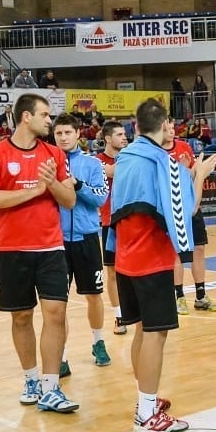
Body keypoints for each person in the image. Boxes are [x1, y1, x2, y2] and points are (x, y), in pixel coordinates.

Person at [107, 99, 216, 432]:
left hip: (125, 255)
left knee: (142, 329)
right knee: (156, 333)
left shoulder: (124, 158)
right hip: (151, 258)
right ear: (166, 125)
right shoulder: (165, 164)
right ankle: (145, 414)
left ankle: (147, 401)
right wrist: (198, 175)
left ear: (136, 128)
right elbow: (189, 210)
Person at [0, 93, 79, 412]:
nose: (50, 121)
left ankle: (51, 388)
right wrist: (34, 190)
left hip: (51, 247)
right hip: (12, 249)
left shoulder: (54, 154)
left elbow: (69, 201)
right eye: (45, 115)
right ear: (26, 117)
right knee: (21, 317)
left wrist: (51, 185)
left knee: (56, 314)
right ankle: (31, 379)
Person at [52, 114, 111, 375]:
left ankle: (98, 341)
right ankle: (61, 355)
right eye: (59, 133)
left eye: (67, 132)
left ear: (78, 134)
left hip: (87, 238)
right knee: (57, 302)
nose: (63, 137)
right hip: (56, 242)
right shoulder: (47, 163)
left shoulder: (92, 164)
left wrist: (78, 185)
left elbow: (100, 198)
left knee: (93, 295)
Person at [162, 118, 216, 314]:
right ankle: (178, 297)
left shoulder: (184, 146)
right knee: (176, 253)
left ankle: (201, 295)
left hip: (192, 203)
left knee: (199, 249)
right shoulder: (157, 152)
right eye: (167, 129)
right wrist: (182, 171)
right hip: (172, 208)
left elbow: (194, 174)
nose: (171, 132)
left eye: (172, 128)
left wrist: (195, 170)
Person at [96, 120, 128, 335]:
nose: (124, 137)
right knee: (113, 272)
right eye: (119, 134)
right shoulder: (97, 161)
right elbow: (111, 171)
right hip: (110, 223)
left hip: (132, 222)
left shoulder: (129, 157)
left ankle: (136, 310)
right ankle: (119, 316)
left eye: (125, 134)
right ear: (107, 138)